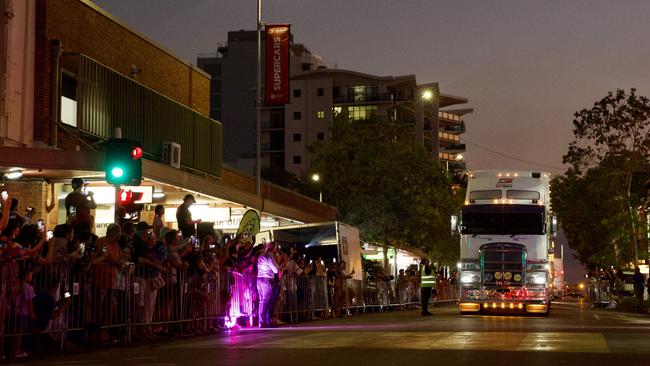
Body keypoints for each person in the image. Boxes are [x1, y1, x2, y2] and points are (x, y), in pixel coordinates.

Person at [256, 241, 280, 328]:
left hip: (259, 279)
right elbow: (276, 270)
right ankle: (264, 321)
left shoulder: (262, 254)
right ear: (274, 248)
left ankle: (261, 321)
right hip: (266, 279)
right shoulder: (269, 255)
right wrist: (279, 265)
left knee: (262, 301)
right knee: (265, 301)